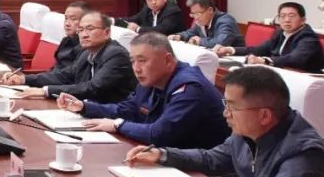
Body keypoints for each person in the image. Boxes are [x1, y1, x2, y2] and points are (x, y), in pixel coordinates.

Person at [125, 66, 324, 177]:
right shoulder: (247, 131)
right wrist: (163, 154)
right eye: (225, 104)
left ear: (264, 115)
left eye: (232, 107)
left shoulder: (305, 150)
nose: (225, 113)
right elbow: (211, 158)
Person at [56, 32, 229, 149]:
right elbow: (128, 109)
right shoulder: (151, 79)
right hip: (168, 155)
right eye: (133, 61)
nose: (136, 68)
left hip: (201, 169)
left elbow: (159, 134)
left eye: (142, 61)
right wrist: (84, 107)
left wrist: (117, 125)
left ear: (168, 60)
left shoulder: (190, 87)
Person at [2, 11, 134, 103]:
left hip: (112, 117)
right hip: (86, 109)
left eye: (90, 29)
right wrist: (24, 79)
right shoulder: (86, 53)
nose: (84, 35)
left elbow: (93, 88)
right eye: (80, 30)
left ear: (107, 32)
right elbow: (64, 75)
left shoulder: (116, 55)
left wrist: (46, 91)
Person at [215, 2, 324, 73]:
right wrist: (230, 49)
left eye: (291, 16)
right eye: (282, 16)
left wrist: (265, 60)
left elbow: (294, 59)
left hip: (304, 79)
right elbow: (259, 49)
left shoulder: (308, 37)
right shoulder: (280, 32)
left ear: (303, 20)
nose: (286, 20)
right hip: (281, 72)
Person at [169, 0, 243, 48]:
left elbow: (222, 42)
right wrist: (179, 36)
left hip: (235, 60)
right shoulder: (201, 22)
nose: (196, 18)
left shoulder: (225, 20)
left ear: (210, 10)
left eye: (198, 13)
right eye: (193, 14)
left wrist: (200, 41)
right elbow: (191, 32)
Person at [115, 0, 185, 35]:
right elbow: (133, 19)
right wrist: (113, 21)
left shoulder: (172, 11)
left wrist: (138, 29)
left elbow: (161, 30)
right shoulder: (147, 9)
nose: (153, 2)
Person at [52, 1, 89, 71]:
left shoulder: (87, 46)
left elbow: (71, 73)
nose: (67, 24)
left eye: (73, 19)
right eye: (66, 18)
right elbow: (56, 66)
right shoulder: (65, 40)